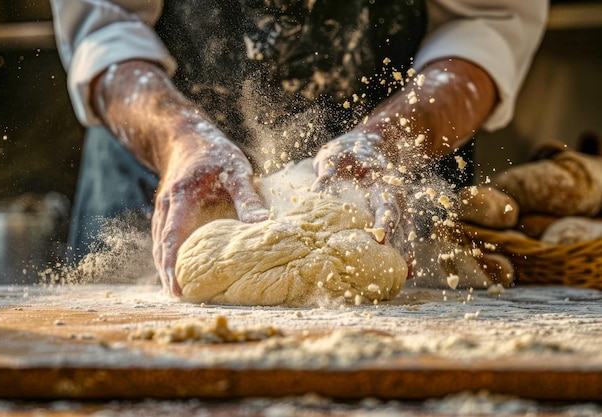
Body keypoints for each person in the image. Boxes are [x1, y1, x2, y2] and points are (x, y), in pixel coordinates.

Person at [49, 0, 548, 296]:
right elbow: (107, 23)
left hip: (384, 168)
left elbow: (487, 20)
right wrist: (178, 140)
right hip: (163, 154)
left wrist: (386, 141)